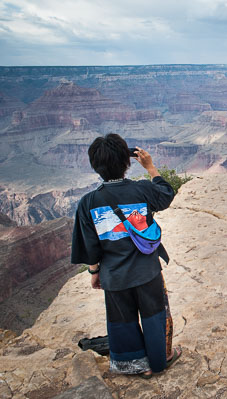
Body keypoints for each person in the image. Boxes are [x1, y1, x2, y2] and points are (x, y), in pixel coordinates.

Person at [71, 133, 181, 379]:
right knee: (155, 316)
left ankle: (135, 365)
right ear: (126, 162)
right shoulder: (142, 190)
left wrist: (94, 272)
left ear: (95, 166)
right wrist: (151, 167)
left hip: (114, 275)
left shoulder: (88, 202)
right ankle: (161, 359)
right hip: (147, 271)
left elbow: (90, 246)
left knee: (122, 320)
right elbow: (165, 194)